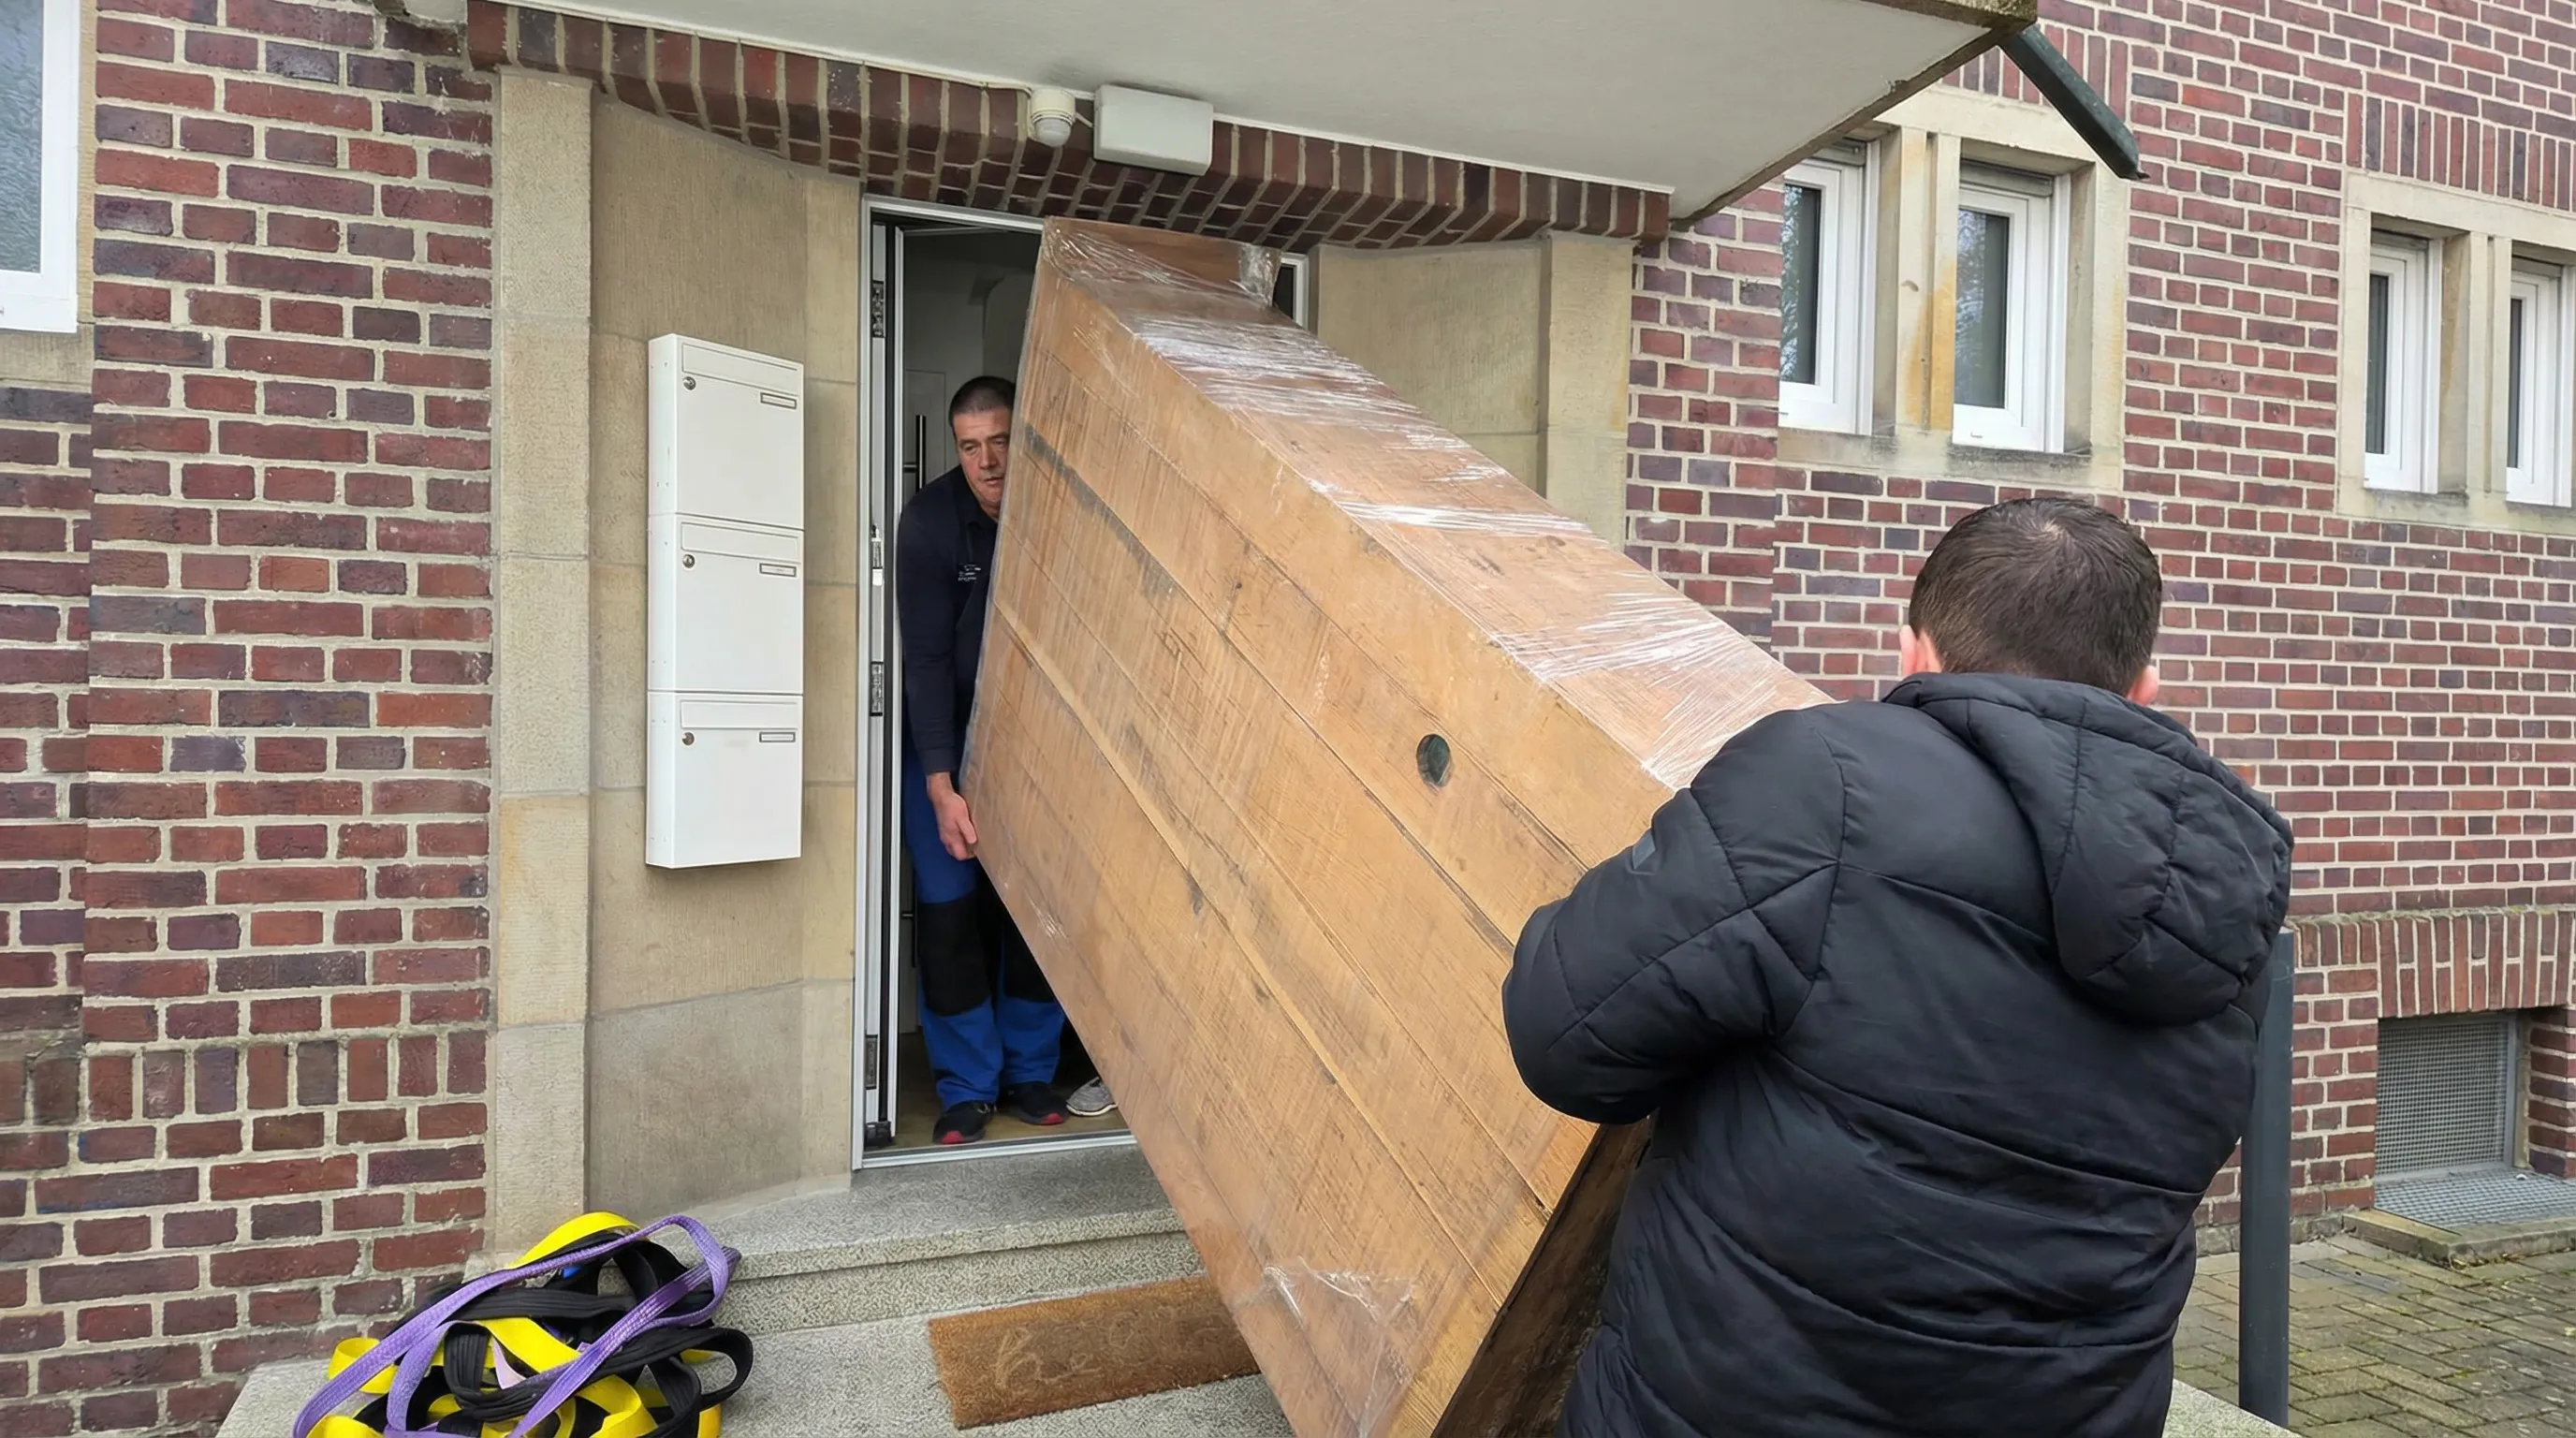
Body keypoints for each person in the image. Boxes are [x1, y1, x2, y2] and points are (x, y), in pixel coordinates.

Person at [1503, 498, 2293, 1438]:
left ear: (1914, 653)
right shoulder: (2231, 887)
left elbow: (1562, 1036)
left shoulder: (1825, 781)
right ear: (2142, 688)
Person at [895, 376, 1112, 1143]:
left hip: (1043, 748)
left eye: (1001, 442)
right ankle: (965, 1087)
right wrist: (941, 783)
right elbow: (924, 660)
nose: (987, 461)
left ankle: (1029, 1072)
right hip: (946, 746)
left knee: (1035, 914)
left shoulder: (1068, 514)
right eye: (970, 446)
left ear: (1027, 439)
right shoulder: (929, 523)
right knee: (950, 912)